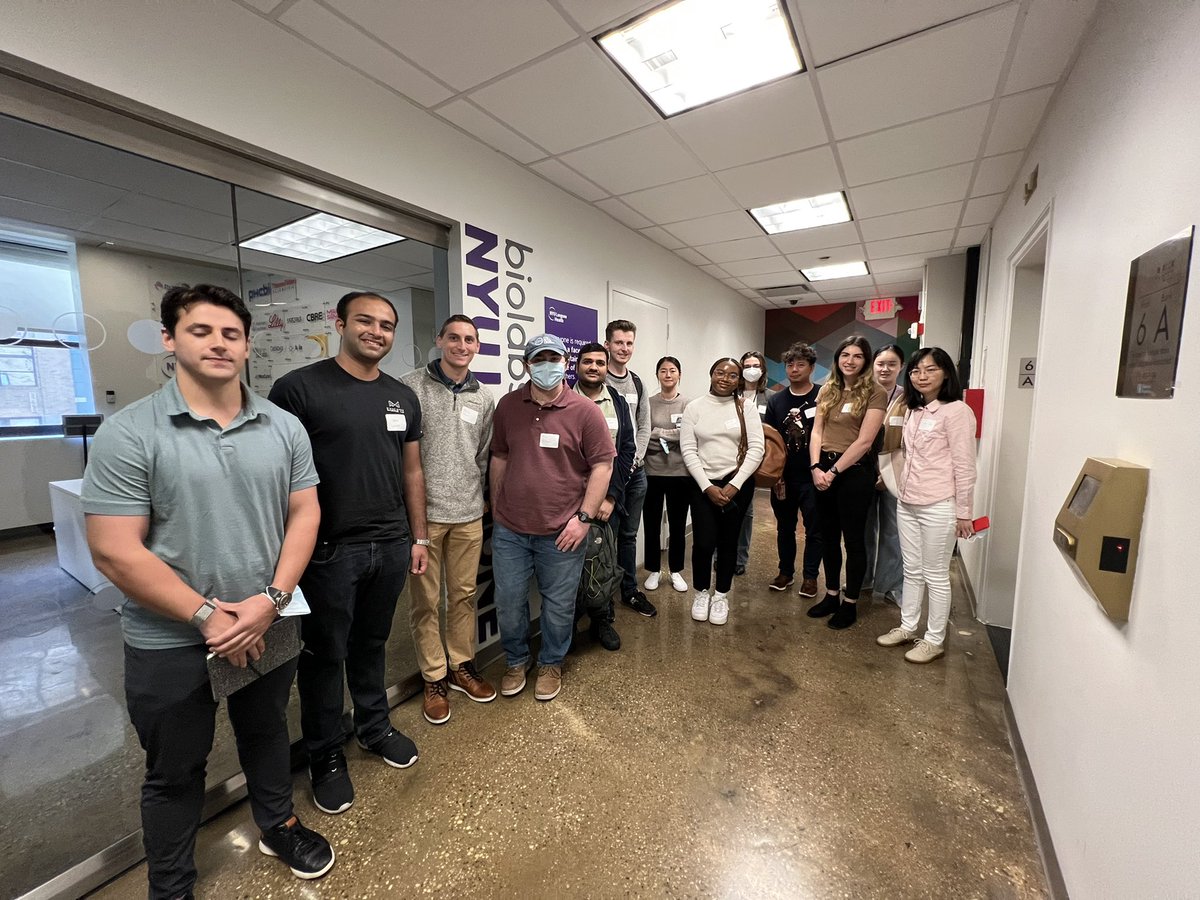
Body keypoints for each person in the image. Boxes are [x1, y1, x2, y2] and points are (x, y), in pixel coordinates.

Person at [82, 285, 334, 897]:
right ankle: (171, 884)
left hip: (266, 618)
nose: (219, 343)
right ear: (170, 339)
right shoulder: (130, 433)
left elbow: (305, 515)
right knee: (174, 770)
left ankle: (277, 824)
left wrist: (268, 601)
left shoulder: (284, 426)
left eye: (231, 333)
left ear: (247, 345)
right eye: (201, 331)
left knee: (267, 730)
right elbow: (115, 547)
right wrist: (205, 617)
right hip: (168, 638)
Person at [269, 291, 425, 816]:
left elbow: (412, 472)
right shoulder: (298, 389)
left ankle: (374, 726)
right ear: (339, 323)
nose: (376, 332)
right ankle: (325, 754)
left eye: (386, 325)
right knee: (323, 656)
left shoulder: (402, 397)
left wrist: (418, 537)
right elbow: (277, 478)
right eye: (365, 321)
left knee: (372, 643)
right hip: (328, 551)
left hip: (391, 544)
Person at [491, 334, 615, 701]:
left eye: (555, 358)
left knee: (559, 604)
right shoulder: (508, 406)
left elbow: (603, 466)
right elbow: (499, 456)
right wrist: (496, 506)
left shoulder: (585, 411)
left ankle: (550, 662)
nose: (548, 365)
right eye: (539, 359)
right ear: (527, 365)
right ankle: (516, 660)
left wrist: (583, 518)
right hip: (510, 529)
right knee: (509, 600)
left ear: (566, 363)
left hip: (563, 529)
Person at [401, 314, 497, 725]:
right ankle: (434, 677)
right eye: (454, 338)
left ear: (477, 346)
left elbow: (483, 456)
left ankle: (461, 666)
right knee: (425, 602)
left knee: (462, 596)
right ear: (439, 340)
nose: (462, 345)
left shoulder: (484, 398)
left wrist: (483, 501)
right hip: (424, 518)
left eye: (470, 340)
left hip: (469, 515)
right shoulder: (409, 387)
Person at [877, 348, 978, 663]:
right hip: (907, 501)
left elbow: (965, 466)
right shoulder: (912, 409)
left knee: (935, 573)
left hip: (939, 504)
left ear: (945, 373)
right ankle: (908, 626)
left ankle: (934, 640)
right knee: (912, 569)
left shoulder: (957, 412)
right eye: (916, 370)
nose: (921, 376)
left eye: (930, 370)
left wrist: (964, 513)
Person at [806, 335, 887, 629]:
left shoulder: (875, 392)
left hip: (853, 473)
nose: (849, 361)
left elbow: (865, 441)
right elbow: (816, 431)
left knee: (853, 541)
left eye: (857, 356)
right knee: (828, 537)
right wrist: (816, 467)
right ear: (837, 359)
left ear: (865, 361)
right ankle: (831, 595)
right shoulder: (828, 389)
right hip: (822, 468)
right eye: (844, 355)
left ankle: (850, 603)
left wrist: (833, 472)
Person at [680, 358, 765, 626]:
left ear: (738, 379)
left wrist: (734, 484)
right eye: (720, 373)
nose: (725, 378)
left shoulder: (746, 407)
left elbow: (757, 449)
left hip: (737, 484)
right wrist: (707, 486)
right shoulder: (695, 407)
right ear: (711, 374)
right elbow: (688, 449)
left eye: (732, 375)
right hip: (702, 484)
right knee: (704, 543)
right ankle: (702, 592)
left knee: (729, 542)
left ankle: (721, 595)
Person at [572, 341, 636, 651]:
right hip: (568, 501)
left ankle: (602, 620)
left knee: (603, 564)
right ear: (577, 365)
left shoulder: (619, 403)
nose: (594, 367)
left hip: (606, 502)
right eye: (588, 362)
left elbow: (626, 451)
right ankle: (567, 624)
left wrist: (609, 497)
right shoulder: (563, 399)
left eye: (600, 362)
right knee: (566, 568)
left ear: (606, 367)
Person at [604, 319, 656, 618]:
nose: (624, 348)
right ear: (608, 344)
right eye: (619, 342)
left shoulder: (637, 382)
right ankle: (604, 597)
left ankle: (629, 591)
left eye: (629, 343)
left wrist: (634, 459)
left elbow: (644, 425)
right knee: (606, 538)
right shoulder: (597, 378)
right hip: (605, 477)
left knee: (628, 536)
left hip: (635, 474)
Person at [764, 342, 823, 598]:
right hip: (784, 478)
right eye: (790, 364)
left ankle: (810, 577)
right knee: (784, 527)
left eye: (800, 364)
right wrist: (775, 476)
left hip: (813, 476)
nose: (794, 369)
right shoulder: (776, 400)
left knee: (815, 530)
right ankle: (785, 572)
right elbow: (770, 440)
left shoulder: (823, 396)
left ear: (811, 367)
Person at [641, 356, 690, 594]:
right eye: (663, 371)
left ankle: (676, 570)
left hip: (680, 473)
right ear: (657, 375)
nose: (668, 375)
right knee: (651, 523)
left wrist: (658, 434)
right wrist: (669, 436)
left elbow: (687, 436)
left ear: (679, 374)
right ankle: (653, 569)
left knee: (678, 525)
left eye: (672, 370)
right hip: (652, 472)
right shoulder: (648, 403)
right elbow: (643, 436)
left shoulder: (688, 405)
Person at [863, 344, 907, 605]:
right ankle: (864, 579)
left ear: (900, 367)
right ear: (873, 366)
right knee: (864, 530)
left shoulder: (909, 398)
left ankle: (890, 585)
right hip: (865, 472)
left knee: (893, 531)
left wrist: (887, 473)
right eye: (880, 363)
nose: (885, 368)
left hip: (896, 475)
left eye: (892, 363)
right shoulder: (863, 394)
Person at [734, 351, 769, 576]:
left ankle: (740, 558)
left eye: (756, 365)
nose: (751, 369)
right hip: (730, 459)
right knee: (725, 509)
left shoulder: (770, 397)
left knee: (746, 512)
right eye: (747, 365)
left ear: (763, 369)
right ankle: (720, 554)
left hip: (757, 460)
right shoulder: (730, 394)